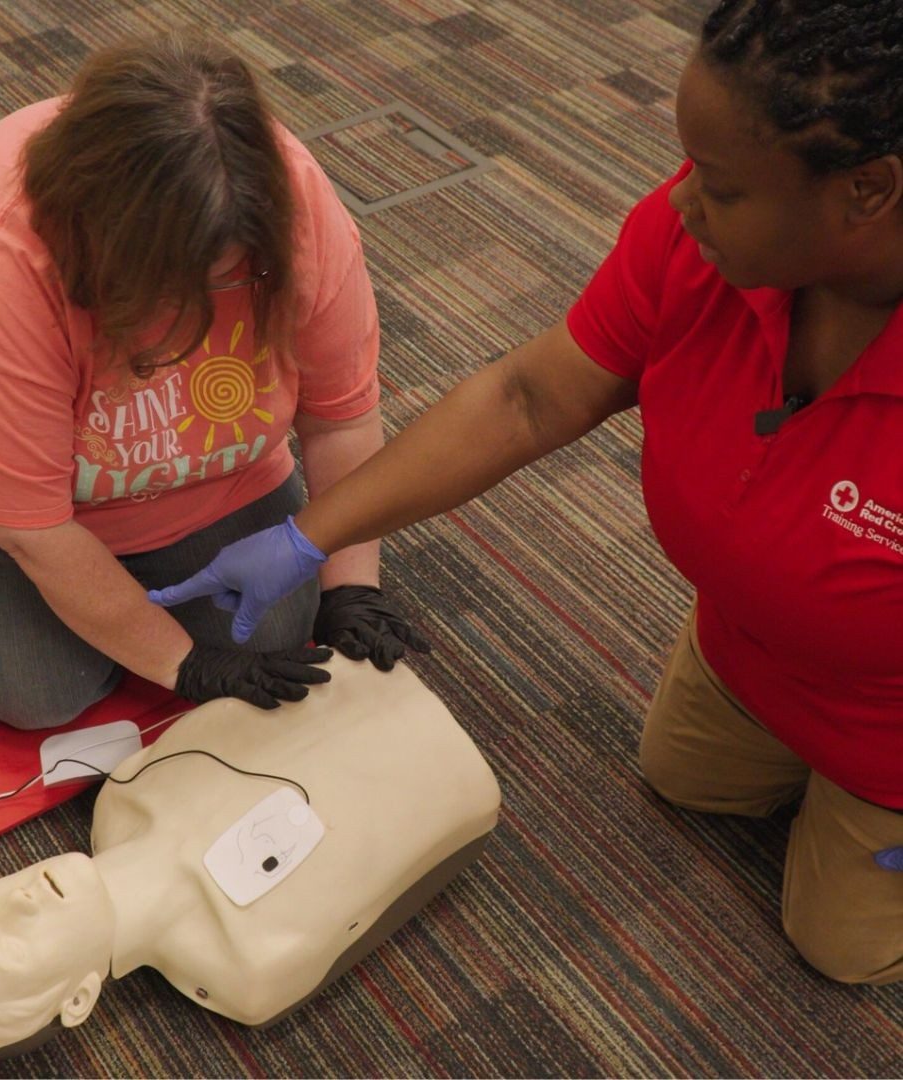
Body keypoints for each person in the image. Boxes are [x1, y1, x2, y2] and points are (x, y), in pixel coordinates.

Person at [151, 0, 903, 986]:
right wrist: (306, 538)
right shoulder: (699, 246)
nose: (679, 206)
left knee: (837, 949)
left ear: (869, 190)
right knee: (680, 777)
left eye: (720, 188)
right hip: (747, 653)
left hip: (885, 731)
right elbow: (527, 396)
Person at [0, 33, 427, 731]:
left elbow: (341, 418)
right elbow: (37, 533)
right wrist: (186, 665)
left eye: (240, 274)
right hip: (26, 518)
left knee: (277, 636)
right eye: (191, 285)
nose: (217, 303)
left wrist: (351, 584)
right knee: (36, 696)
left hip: (218, 477)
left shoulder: (292, 205)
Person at [0, 653, 501, 1056]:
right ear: (79, 997)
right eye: (12, 948)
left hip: (362, 663)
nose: (15, 901)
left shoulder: (123, 793)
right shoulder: (250, 964)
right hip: (463, 761)